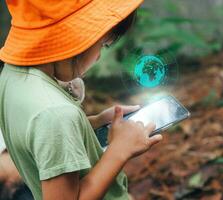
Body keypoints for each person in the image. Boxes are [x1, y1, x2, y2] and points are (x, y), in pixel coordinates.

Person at [0, 1, 163, 200]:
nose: (99, 56)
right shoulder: (56, 114)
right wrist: (120, 150)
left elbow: (37, 139)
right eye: (103, 44)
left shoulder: (12, 75)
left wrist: (94, 123)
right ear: (75, 39)